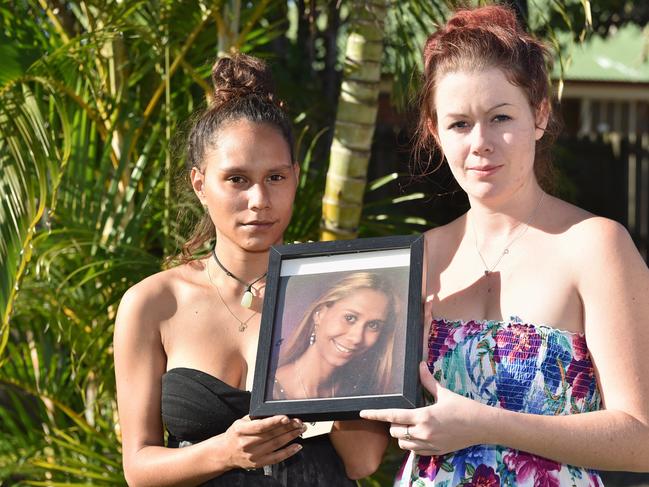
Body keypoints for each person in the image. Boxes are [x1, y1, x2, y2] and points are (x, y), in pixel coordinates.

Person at [360, 5, 649, 486]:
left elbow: (641, 437)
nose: (481, 143)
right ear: (434, 132)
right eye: (458, 124)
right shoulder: (420, 257)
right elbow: (365, 439)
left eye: (500, 117)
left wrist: (484, 424)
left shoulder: (596, 246)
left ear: (540, 115)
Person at [113, 53, 388, 487]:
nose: (259, 199)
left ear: (295, 177)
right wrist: (224, 451)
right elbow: (138, 468)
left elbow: (363, 461)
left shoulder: (338, 292)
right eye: (237, 179)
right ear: (200, 184)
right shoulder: (153, 303)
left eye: (275, 177)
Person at [272, 271, 399, 400]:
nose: (357, 338)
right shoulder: (271, 392)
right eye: (350, 318)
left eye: (373, 325)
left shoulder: (361, 393)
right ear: (319, 314)